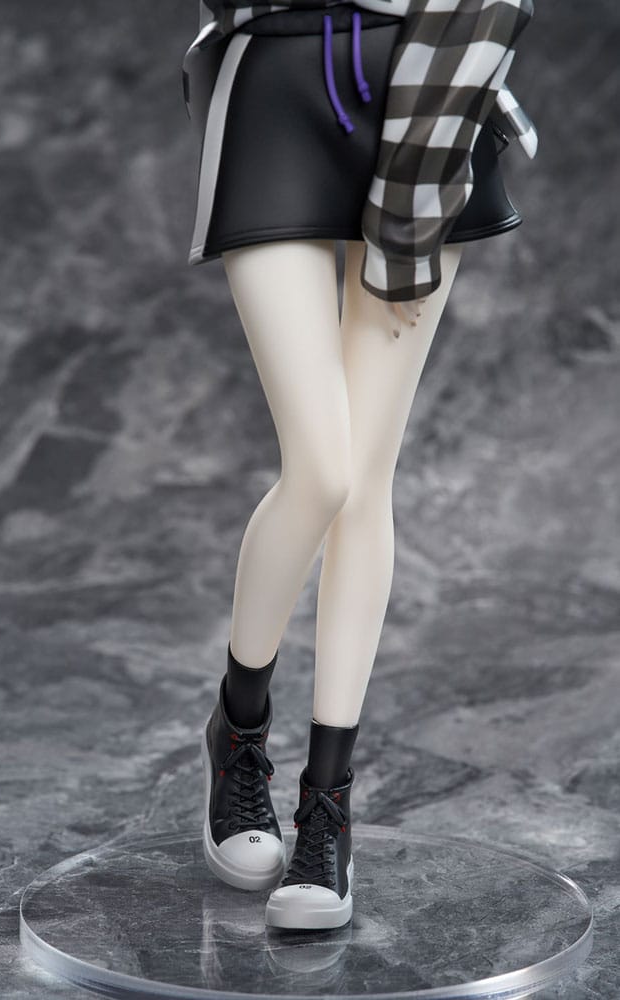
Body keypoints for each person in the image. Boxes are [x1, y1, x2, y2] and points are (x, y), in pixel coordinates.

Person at [183, 0, 537, 931]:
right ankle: (238, 728)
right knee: (322, 469)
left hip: (432, 94)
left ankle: (326, 808)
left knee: (365, 477)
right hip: (274, 87)